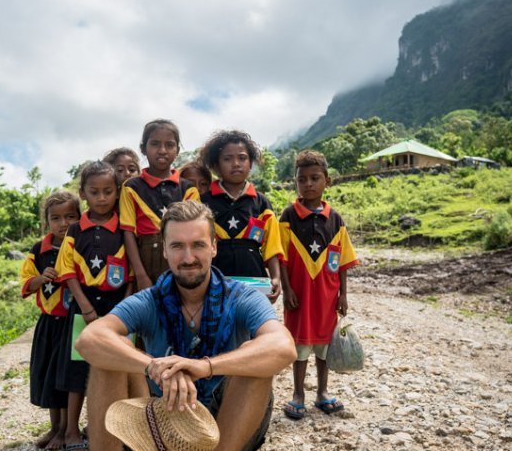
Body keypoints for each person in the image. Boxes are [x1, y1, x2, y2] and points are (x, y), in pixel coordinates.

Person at [74, 201, 296, 451]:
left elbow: (283, 347)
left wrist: (204, 367)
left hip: (226, 443)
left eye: (197, 245)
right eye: (177, 246)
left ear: (214, 247)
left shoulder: (241, 296)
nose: (188, 257)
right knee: (110, 353)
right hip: (161, 442)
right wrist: (156, 367)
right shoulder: (149, 299)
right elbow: (88, 339)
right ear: (164, 250)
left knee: (256, 360)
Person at [54, 161, 134, 451]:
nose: (102, 198)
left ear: (118, 192)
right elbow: (67, 271)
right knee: (79, 368)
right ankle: (72, 430)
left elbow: (130, 275)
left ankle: (119, 430)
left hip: (117, 308)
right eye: (94, 192)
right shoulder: (76, 230)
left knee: (117, 366)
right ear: (83, 193)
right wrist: (85, 308)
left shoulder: (124, 230)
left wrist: (124, 309)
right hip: (83, 307)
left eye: (108, 191)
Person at [279, 150, 359, 420]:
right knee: (300, 347)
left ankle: (322, 392)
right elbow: (281, 256)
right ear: (295, 182)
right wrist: (287, 289)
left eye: (315, 178)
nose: (309, 184)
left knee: (324, 345)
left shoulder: (335, 219)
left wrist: (343, 294)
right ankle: (298, 394)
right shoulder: (288, 216)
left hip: (326, 295)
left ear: (327, 180)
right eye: (302, 179)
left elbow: (344, 260)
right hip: (299, 295)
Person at [19, 191, 81, 450]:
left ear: (79, 217)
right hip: (49, 322)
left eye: (69, 216)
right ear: (46, 222)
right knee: (47, 374)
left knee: (65, 376)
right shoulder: (38, 251)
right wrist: (40, 278)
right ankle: (55, 427)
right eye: (55, 218)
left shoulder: (81, 242)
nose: (63, 223)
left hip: (71, 321)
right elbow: (26, 284)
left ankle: (68, 428)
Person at [199, 129, 283, 303]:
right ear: (216, 165)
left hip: (255, 279)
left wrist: (275, 277)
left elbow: (272, 246)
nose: (236, 163)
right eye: (227, 159)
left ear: (251, 164)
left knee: (252, 326)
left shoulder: (261, 203)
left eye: (242, 158)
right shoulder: (203, 202)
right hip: (214, 280)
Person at [120, 119, 200, 291]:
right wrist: (140, 275)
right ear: (143, 148)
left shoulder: (188, 189)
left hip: (180, 255)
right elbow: (128, 233)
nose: (162, 150)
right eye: (155, 144)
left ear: (177, 151)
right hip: (144, 260)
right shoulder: (131, 188)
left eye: (169, 145)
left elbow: (195, 231)